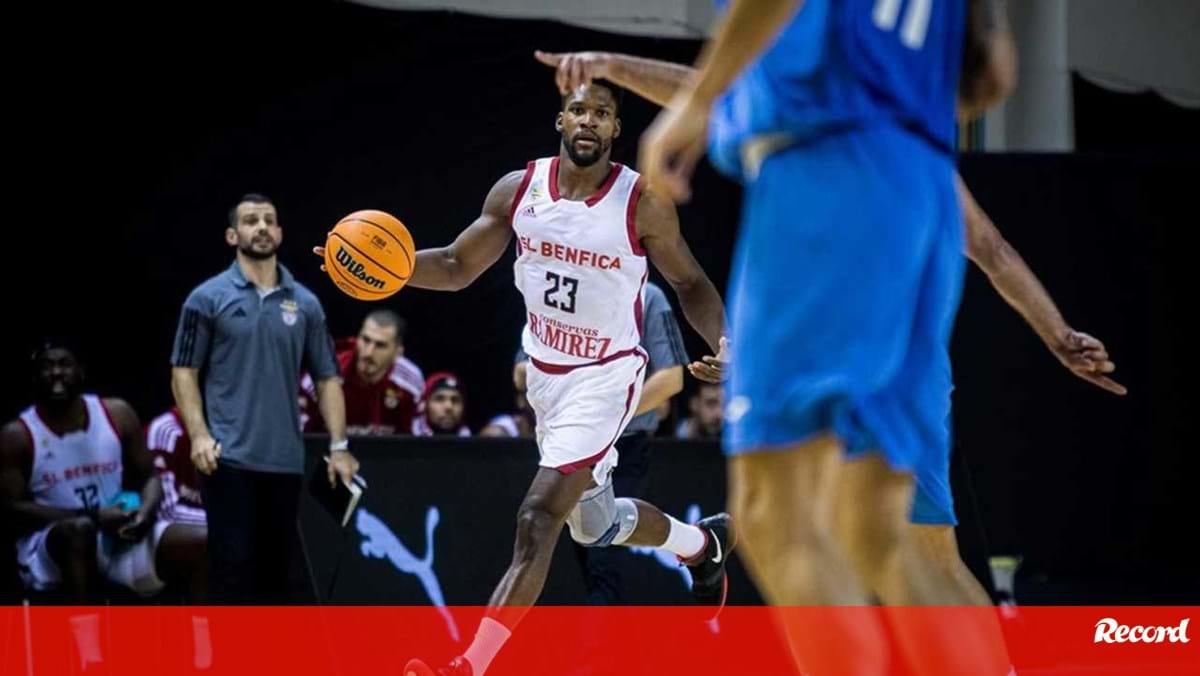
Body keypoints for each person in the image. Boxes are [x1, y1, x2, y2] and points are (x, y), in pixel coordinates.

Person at [635, 1, 1022, 673]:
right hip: (920, 188)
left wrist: (698, 100)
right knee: (880, 538)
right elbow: (993, 77)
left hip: (825, 170)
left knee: (771, 515)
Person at [317, 80, 731, 676]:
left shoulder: (641, 204)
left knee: (538, 518)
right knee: (596, 526)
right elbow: (458, 266)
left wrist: (724, 343)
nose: (589, 121)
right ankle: (703, 546)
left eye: (603, 114)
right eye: (580, 110)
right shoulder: (519, 190)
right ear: (561, 119)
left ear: (617, 129)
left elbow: (690, 284)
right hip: (546, 375)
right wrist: (381, 269)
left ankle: (468, 665)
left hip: (606, 376)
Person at [170, 193, 359, 604]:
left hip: (285, 460)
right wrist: (199, 436)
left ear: (280, 232)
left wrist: (340, 446)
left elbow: (328, 377)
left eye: (269, 220)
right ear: (231, 234)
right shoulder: (207, 298)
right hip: (228, 457)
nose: (261, 227)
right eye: (251, 220)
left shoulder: (305, 302)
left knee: (277, 580)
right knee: (232, 571)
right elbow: (183, 370)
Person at [515, 280, 688, 605]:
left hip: (624, 443)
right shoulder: (557, 281)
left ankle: (595, 656)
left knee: (603, 561)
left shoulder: (647, 297)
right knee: (585, 542)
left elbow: (671, 379)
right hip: (565, 441)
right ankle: (698, 543)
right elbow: (520, 372)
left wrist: (603, 412)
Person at [0, 340, 165, 602]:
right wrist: (94, 516)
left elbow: (150, 477)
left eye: (64, 364)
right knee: (80, 529)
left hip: (116, 534)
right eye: (47, 366)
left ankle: (209, 638)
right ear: (34, 377)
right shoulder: (18, 434)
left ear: (80, 370)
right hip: (51, 547)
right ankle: (88, 640)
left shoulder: (116, 413)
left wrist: (144, 513)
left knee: (196, 540)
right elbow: (12, 508)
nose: (56, 372)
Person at [301, 309, 425, 436]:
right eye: (366, 340)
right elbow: (298, 435)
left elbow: (421, 441)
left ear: (397, 353)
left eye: (380, 345)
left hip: (389, 454)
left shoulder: (410, 381)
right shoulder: (322, 375)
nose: (369, 352)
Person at [145, 407, 210, 602]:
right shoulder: (165, 430)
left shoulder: (232, 430)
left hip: (210, 526)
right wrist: (226, 524)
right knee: (209, 540)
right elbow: (167, 511)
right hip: (155, 535)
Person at [412, 373, 471, 437]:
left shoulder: (474, 443)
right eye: (439, 399)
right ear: (425, 405)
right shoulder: (409, 437)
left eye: (455, 400)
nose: (449, 406)